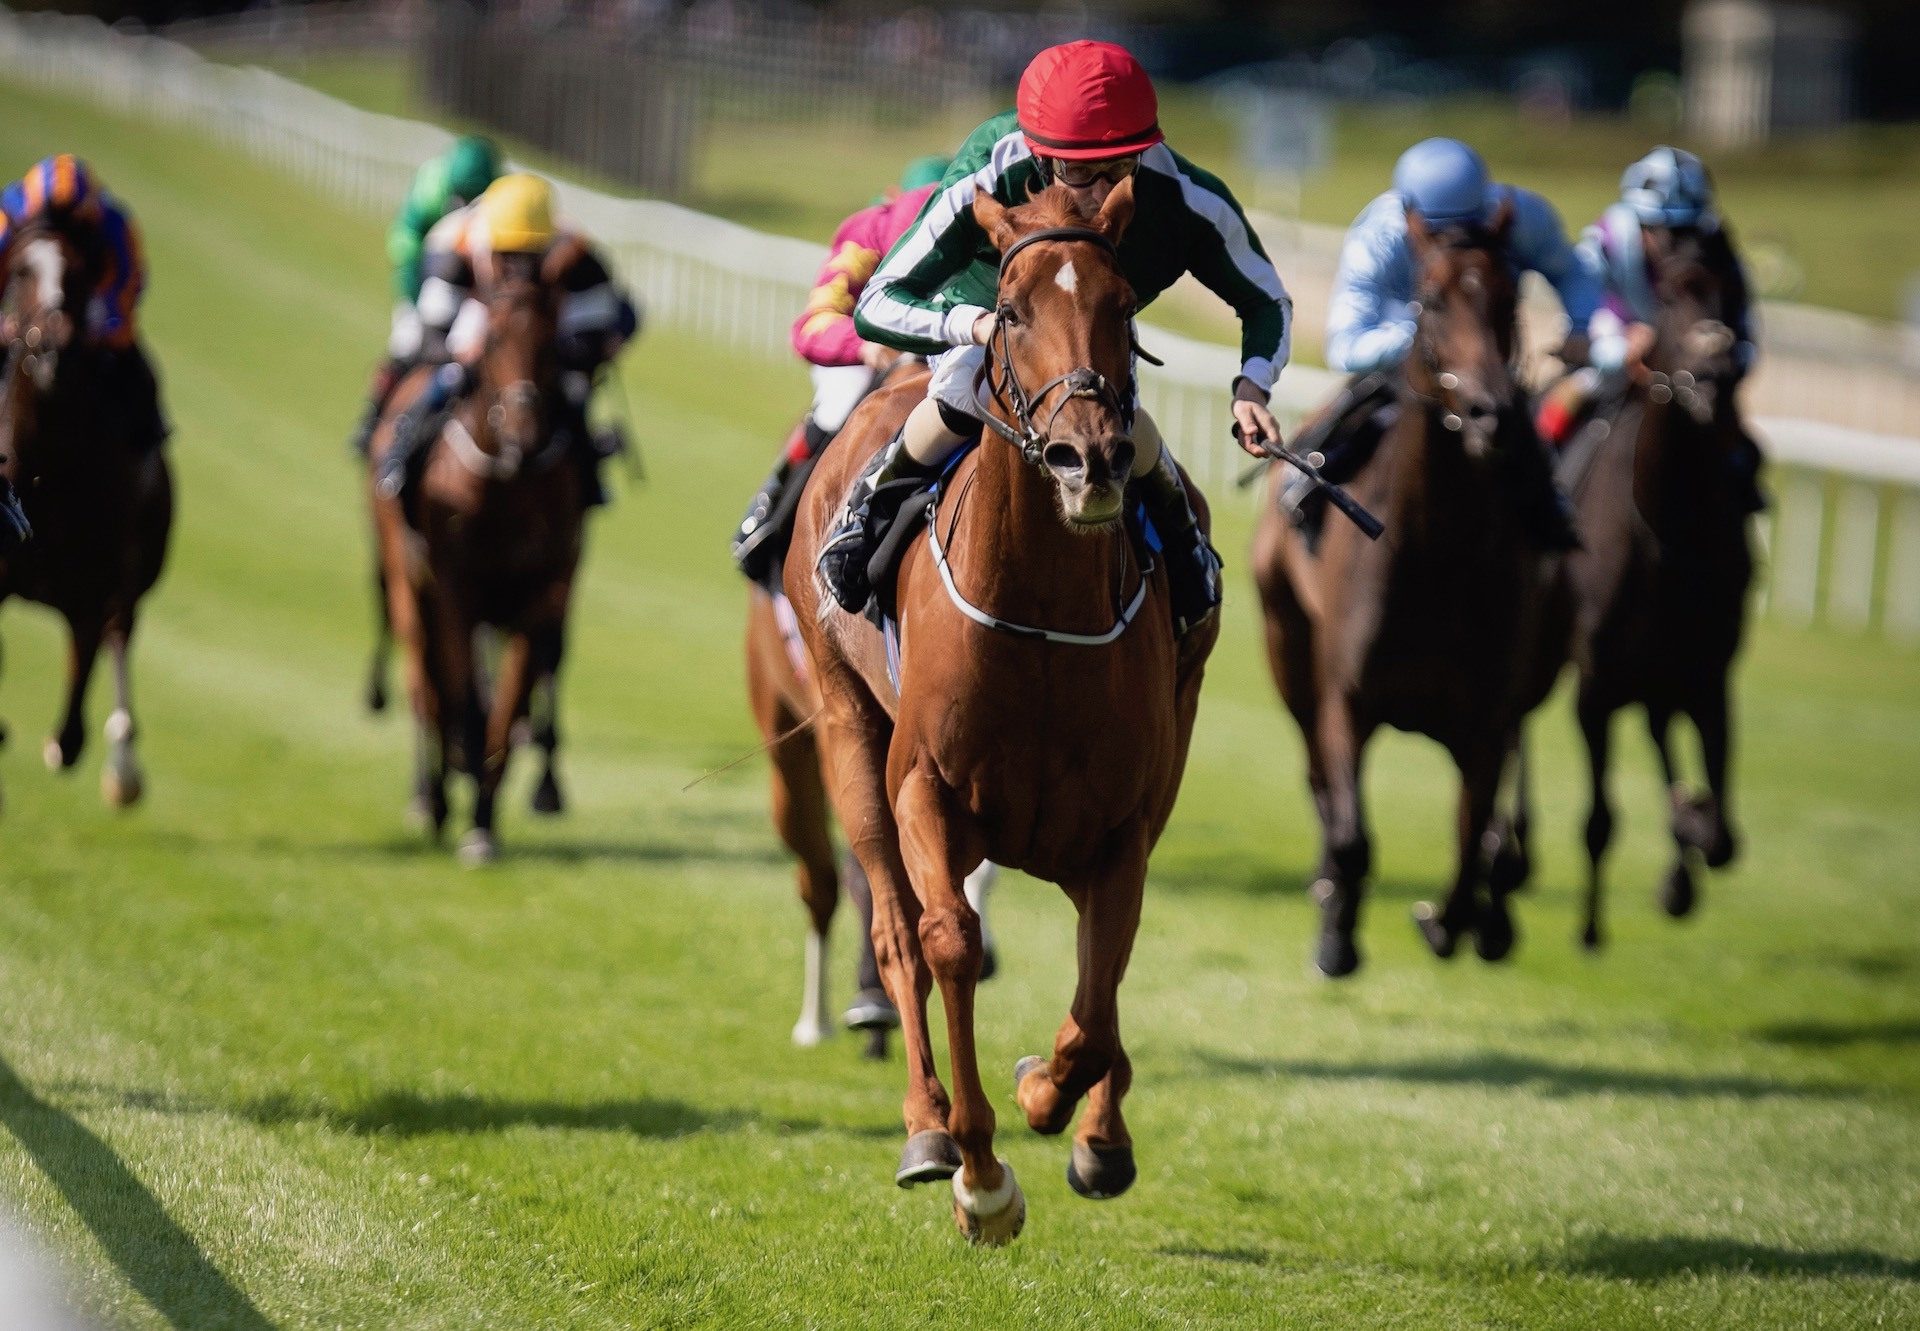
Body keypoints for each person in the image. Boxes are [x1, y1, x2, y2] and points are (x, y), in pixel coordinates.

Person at [821, 39, 1292, 637]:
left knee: (1119, 410)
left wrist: (1254, 384)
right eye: (1076, 172)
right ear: (1041, 158)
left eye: (1118, 169)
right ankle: (871, 506)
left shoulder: (1187, 198)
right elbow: (880, 299)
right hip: (988, 308)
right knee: (964, 385)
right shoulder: (991, 167)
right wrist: (975, 326)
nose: (1097, 194)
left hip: (1094, 322)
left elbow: (1266, 298)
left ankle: (1183, 536)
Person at [1292, 137, 1608, 548]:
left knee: (1533, 461)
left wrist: (1582, 328)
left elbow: (1573, 272)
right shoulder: (1378, 236)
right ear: (1410, 219)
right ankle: (1300, 492)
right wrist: (1427, 336)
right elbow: (1346, 348)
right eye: (1440, 233)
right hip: (1403, 371)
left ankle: (1552, 518)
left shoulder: (1520, 215)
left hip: (1491, 371)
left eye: (1473, 228)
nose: (1458, 243)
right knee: (1320, 450)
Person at [732, 154, 951, 586]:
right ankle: (770, 510)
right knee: (840, 402)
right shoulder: (867, 234)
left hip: (943, 349)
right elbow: (813, 325)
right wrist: (864, 346)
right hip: (862, 353)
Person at [373, 173, 638, 510]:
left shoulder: (578, 255)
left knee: (571, 389)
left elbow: (616, 319)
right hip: (474, 310)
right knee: (449, 375)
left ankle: (588, 475)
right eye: (509, 252)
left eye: (529, 252)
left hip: (543, 323)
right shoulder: (455, 245)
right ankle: (402, 451)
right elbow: (433, 331)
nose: (519, 264)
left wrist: (568, 353)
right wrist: (470, 354)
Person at [1562, 145, 1765, 511]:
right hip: (1616, 350)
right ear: (1639, 223)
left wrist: (1720, 357)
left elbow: (1747, 333)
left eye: (1686, 229)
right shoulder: (1603, 242)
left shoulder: (1718, 251)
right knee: (1570, 395)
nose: (1675, 243)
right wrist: (1619, 350)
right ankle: (1544, 486)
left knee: (1739, 447)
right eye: (1661, 229)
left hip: (1691, 373)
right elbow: (1577, 318)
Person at [0, 154, 166, 550]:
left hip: (89, 316)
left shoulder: (114, 225)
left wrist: (97, 325)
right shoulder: (9, 216)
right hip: (21, 315)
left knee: (140, 377)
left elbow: (129, 284)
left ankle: (147, 467)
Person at [347, 135, 502, 457]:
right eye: (463, 194)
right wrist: (418, 301)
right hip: (424, 275)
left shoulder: (501, 196)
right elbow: (405, 244)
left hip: (473, 287)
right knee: (407, 343)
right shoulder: (432, 188)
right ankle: (372, 417)